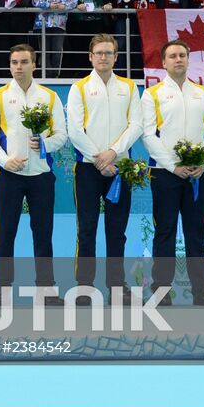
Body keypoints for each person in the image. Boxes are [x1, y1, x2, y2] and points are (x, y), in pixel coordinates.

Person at [0, 44, 67, 304]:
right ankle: (2, 289)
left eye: (24, 62)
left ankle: (46, 290)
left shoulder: (50, 96)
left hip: (41, 176)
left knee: (43, 234)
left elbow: (61, 135)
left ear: (34, 64)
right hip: (10, 176)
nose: (18, 67)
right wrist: (5, 161)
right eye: (14, 62)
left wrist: (45, 145)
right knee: (6, 233)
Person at [140, 39, 204, 306]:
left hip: (198, 174)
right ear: (163, 63)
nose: (178, 59)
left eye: (182, 55)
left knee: (196, 232)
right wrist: (172, 166)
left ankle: (201, 290)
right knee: (165, 231)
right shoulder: (152, 94)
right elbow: (148, 135)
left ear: (188, 60)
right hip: (165, 173)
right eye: (172, 56)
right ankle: (161, 290)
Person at [66, 33, 142, 304]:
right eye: (98, 53)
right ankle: (84, 286)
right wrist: (99, 158)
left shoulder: (129, 88)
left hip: (120, 169)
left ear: (116, 57)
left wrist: (114, 154)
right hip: (88, 169)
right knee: (86, 229)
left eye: (108, 53)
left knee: (116, 230)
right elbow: (74, 130)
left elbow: (137, 125)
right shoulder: (80, 88)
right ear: (90, 57)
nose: (103, 57)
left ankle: (117, 287)